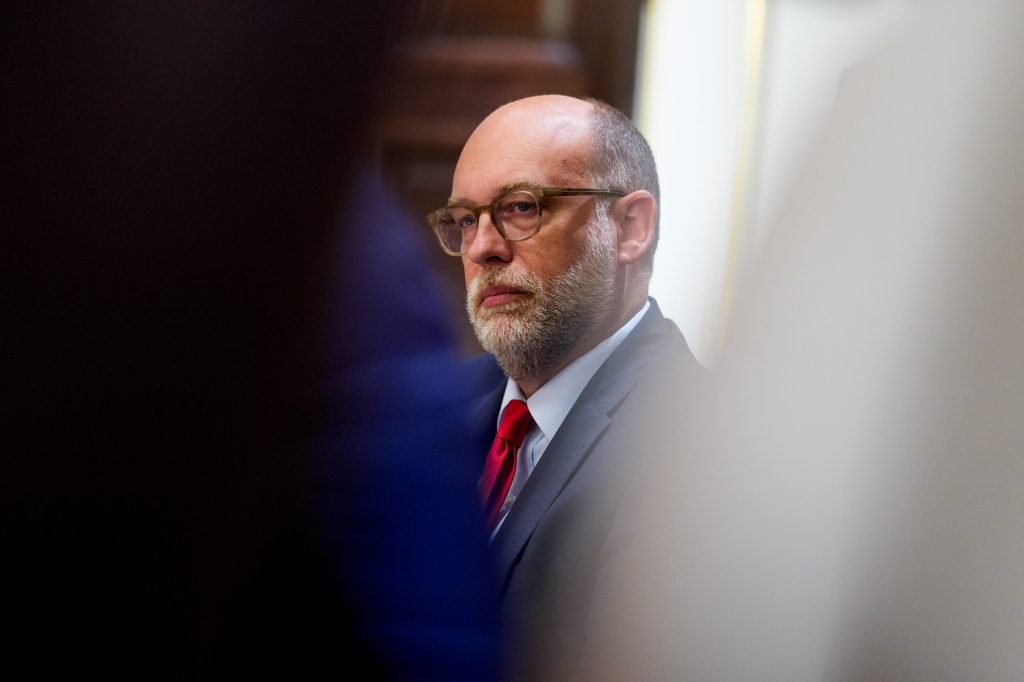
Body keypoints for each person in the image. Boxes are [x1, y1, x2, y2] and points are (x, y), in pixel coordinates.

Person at [426, 94, 703, 678]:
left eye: (521, 208)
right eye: (466, 220)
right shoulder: (433, 410)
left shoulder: (701, 446)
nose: (482, 248)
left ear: (630, 228)